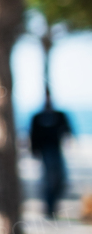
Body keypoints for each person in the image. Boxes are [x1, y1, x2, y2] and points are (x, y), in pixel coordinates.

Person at [29, 90, 75, 220]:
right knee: (49, 180)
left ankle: (53, 206)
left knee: (61, 179)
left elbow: (68, 130)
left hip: (57, 151)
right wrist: (34, 151)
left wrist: (70, 141)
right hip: (45, 153)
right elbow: (32, 135)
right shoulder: (37, 117)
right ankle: (49, 208)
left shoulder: (59, 115)